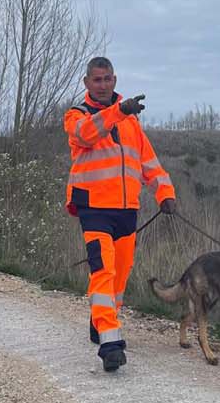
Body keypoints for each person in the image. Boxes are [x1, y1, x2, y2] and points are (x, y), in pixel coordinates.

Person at [64, 56, 176, 372]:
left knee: (121, 274)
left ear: (114, 80)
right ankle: (110, 343)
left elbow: (148, 162)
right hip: (94, 208)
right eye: (96, 80)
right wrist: (119, 111)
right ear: (87, 83)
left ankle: (101, 320)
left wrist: (165, 194)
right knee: (103, 271)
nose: (102, 85)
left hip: (127, 210)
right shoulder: (77, 115)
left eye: (107, 79)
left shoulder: (130, 122)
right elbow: (86, 134)